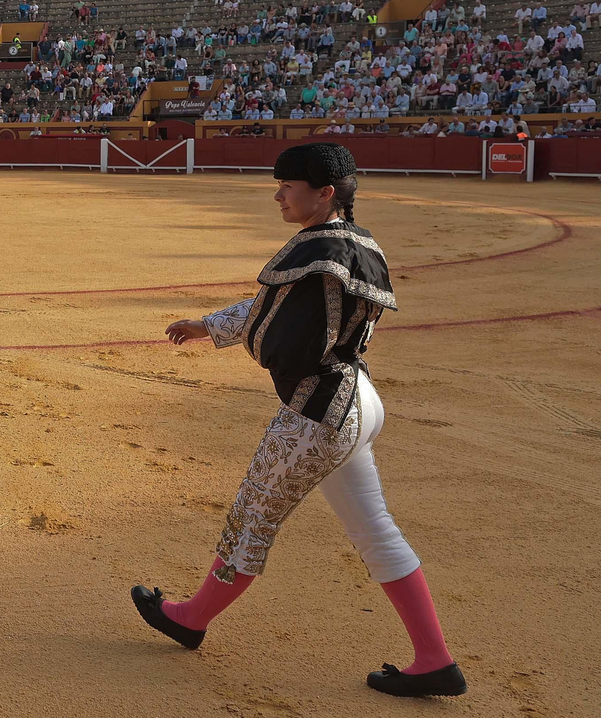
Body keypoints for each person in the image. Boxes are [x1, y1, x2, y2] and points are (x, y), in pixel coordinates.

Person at [132, 143, 465, 699]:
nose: (280, 194)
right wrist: (208, 325)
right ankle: (434, 658)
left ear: (325, 193)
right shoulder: (360, 243)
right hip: (359, 397)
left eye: (290, 185)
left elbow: (278, 333)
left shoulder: (315, 248)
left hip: (317, 412)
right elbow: (277, 311)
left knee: (252, 517)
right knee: (374, 529)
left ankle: (190, 618)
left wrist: (242, 342)